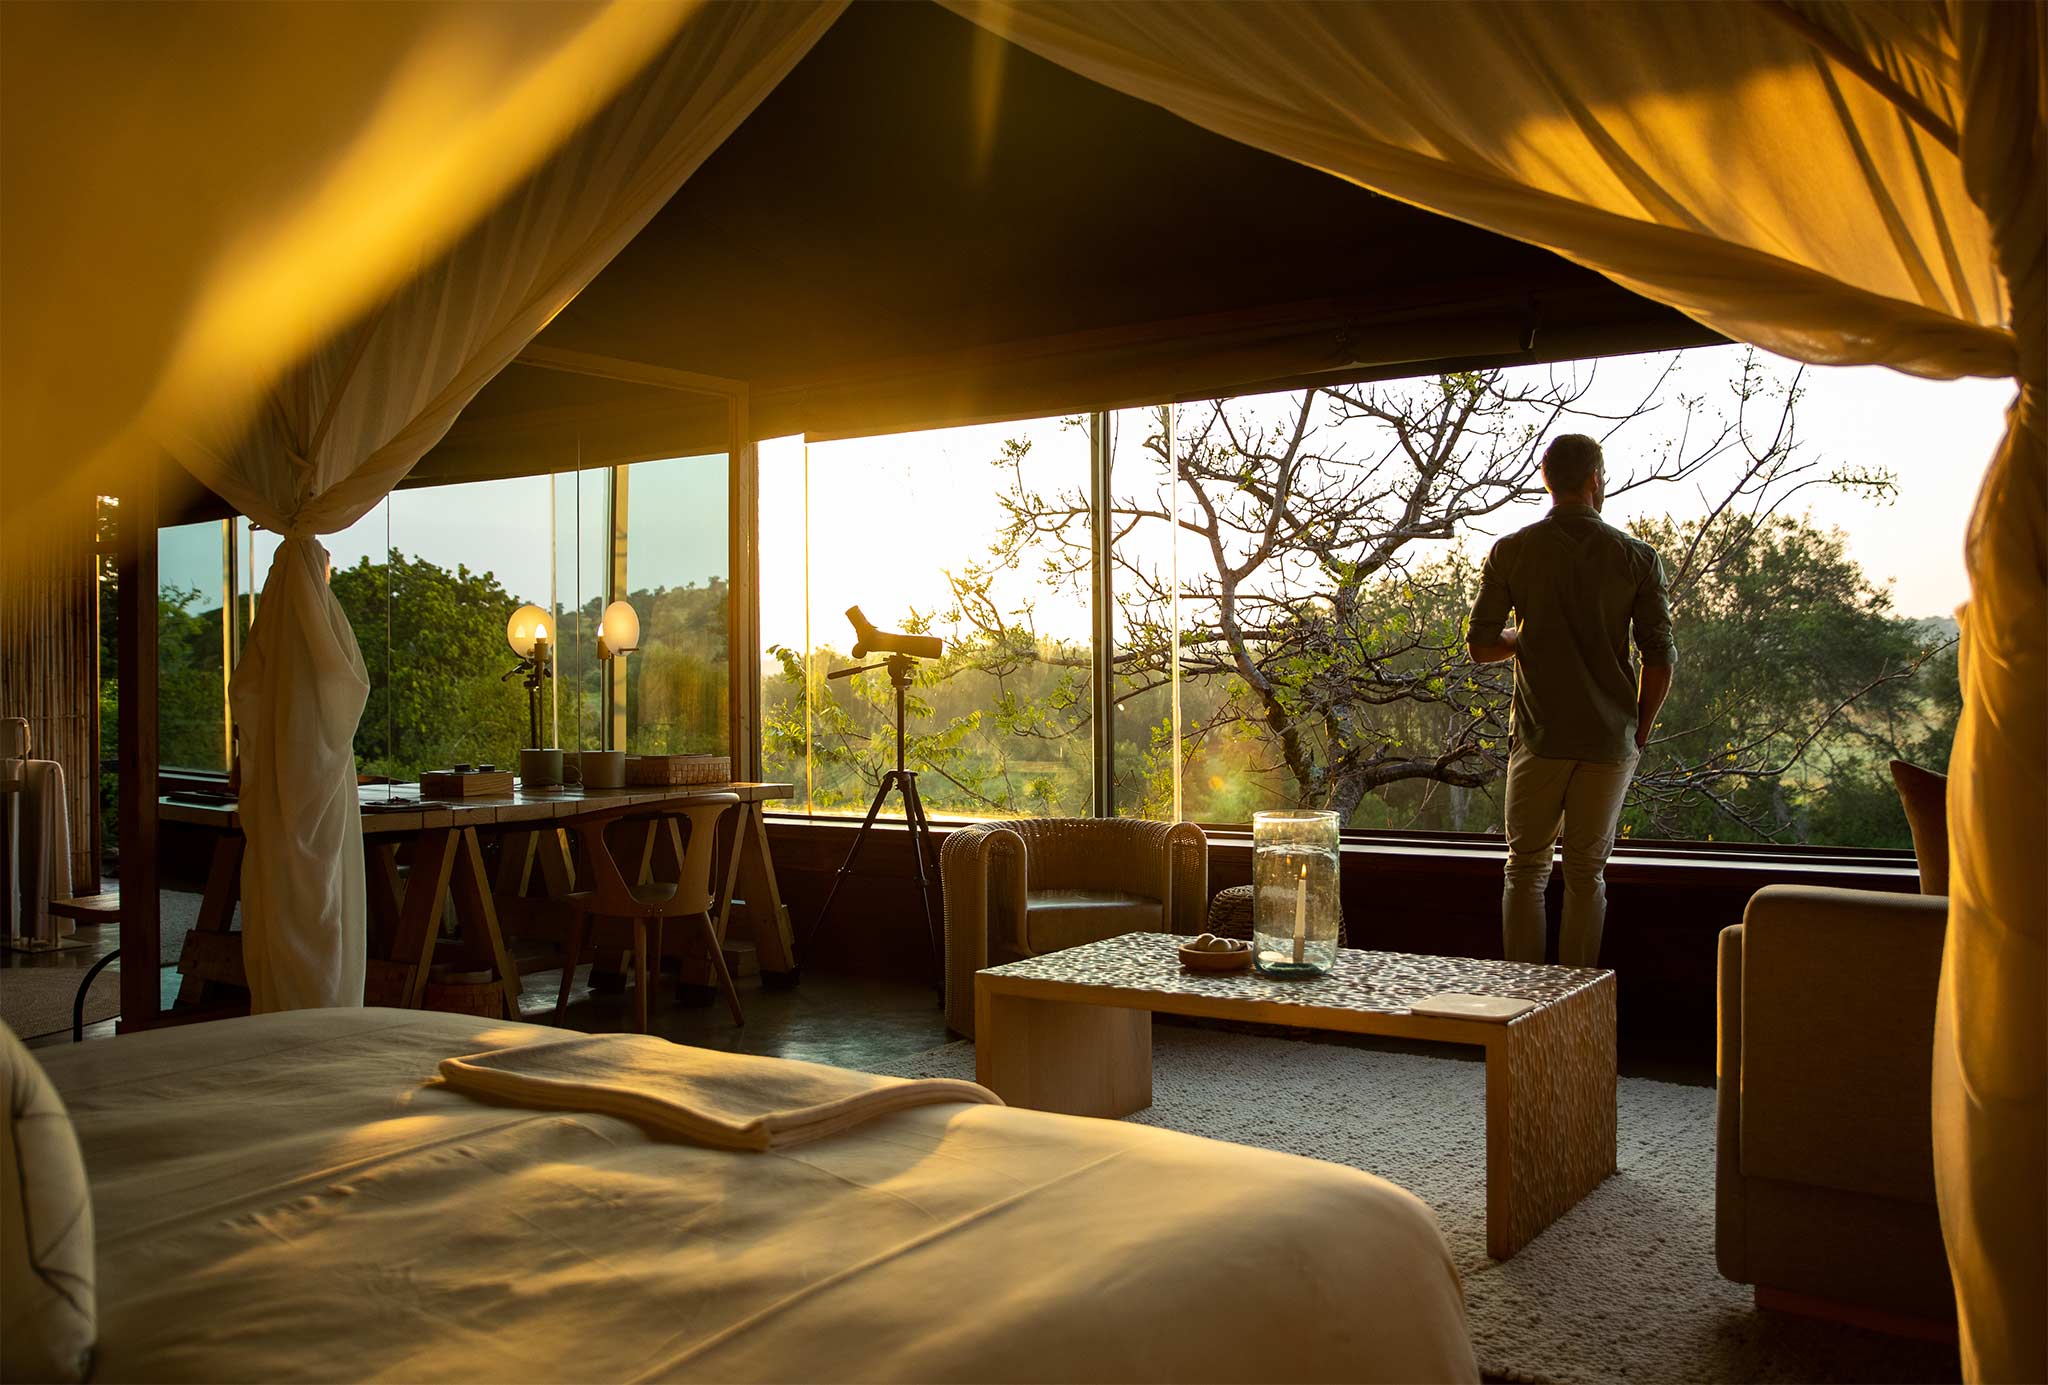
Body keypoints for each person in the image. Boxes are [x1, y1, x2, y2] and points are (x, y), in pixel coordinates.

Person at [1465, 433, 1675, 967]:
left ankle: (1524, 1005)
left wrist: (1519, 638)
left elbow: (1482, 645)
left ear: (1546, 480)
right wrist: (1640, 730)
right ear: (1595, 480)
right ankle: (1574, 1007)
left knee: (1526, 870)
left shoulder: (1512, 550)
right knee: (1587, 874)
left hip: (1540, 737)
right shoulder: (1637, 557)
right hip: (1609, 741)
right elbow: (1660, 658)